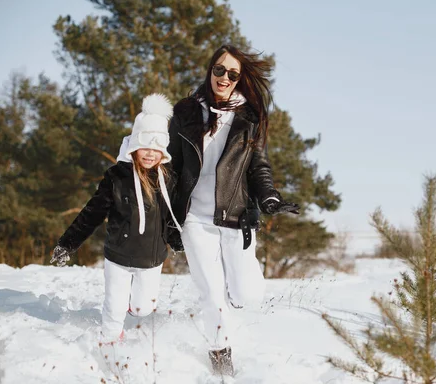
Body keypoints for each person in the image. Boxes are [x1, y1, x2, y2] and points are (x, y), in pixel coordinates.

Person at [166, 44, 300, 375]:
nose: (224, 77)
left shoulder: (248, 118)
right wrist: (168, 216)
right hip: (195, 218)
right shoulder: (185, 112)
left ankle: (231, 292)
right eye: (219, 70)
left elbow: (258, 166)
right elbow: (172, 165)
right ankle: (221, 358)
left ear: (240, 79)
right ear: (210, 70)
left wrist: (269, 196)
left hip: (236, 217)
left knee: (247, 293)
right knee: (211, 294)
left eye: (232, 73)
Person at [50, 93, 182, 342]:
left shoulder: (169, 179)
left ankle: (134, 305)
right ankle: (110, 344)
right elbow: (92, 213)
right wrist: (68, 243)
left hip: (151, 259)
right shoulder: (116, 177)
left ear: (163, 150)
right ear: (134, 144)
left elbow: (172, 215)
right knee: (113, 307)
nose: (150, 154)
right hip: (118, 257)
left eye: (156, 148)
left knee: (143, 308)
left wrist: (176, 238)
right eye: (145, 145)